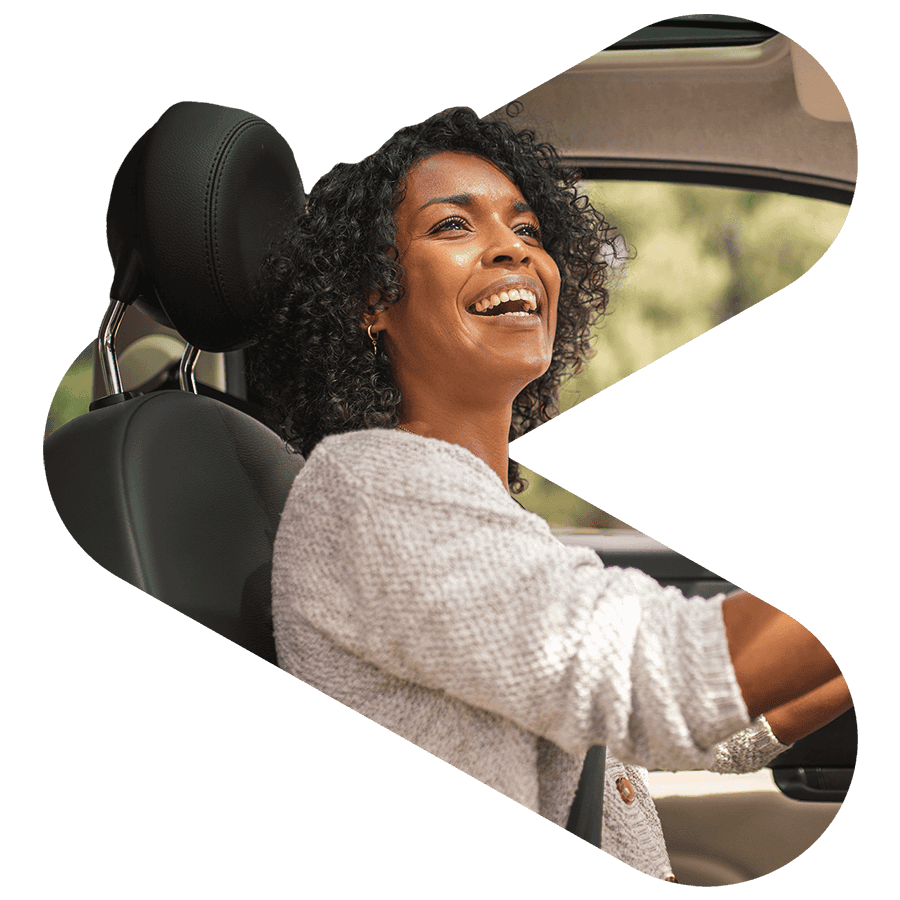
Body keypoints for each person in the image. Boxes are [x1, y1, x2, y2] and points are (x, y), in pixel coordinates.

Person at [248, 107, 851, 881]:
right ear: (373, 301)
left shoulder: (485, 514)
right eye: (452, 226)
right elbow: (655, 676)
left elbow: (633, 741)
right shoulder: (369, 488)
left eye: (529, 229)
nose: (513, 249)